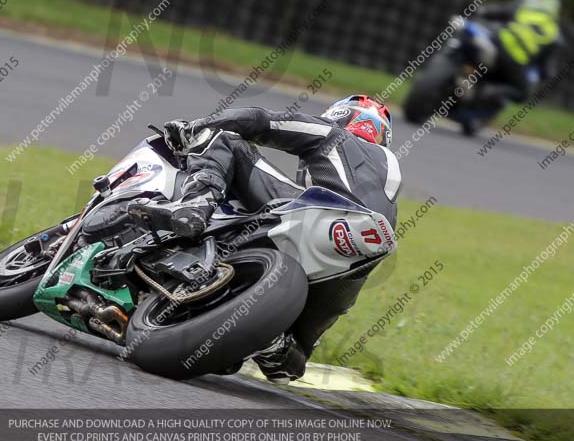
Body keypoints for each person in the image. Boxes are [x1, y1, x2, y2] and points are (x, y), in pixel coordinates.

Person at [127, 95, 401, 382]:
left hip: (328, 214)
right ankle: (277, 347)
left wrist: (196, 127)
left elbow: (262, 120)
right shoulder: (389, 172)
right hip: (367, 248)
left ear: (344, 116)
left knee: (226, 139)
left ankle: (195, 206)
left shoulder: (335, 134)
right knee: (293, 359)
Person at [473, 0, 562, 105]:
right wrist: (548, 76)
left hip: (497, 40)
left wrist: (480, 10)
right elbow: (546, 67)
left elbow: (491, 12)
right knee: (523, 93)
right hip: (516, 59)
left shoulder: (520, 6)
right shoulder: (554, 32)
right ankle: (488, 93)